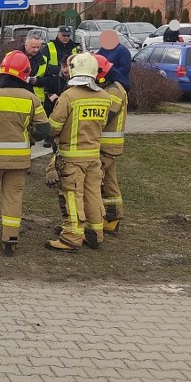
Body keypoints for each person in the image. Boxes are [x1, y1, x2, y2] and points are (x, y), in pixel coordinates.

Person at [0, 50, 50, 256]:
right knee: (13, 198)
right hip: (18, 162)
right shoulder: (32, 99)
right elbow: (42, 130)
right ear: (24, 73)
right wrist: (28, 138)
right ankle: (10, 240)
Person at [45, 52, 118, 252]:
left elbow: (53, 126)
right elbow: (102, 123)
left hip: (71, 158)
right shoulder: (104, 97)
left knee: (72, 196)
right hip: (94, 156)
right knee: (93, 194)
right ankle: (95, 234)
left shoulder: (69, 96)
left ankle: (71, 238)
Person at [94, 54, 128, 235]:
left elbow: (105, 117)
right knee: (109, 181)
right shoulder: (110, 87)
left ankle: (97, 219)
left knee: (95, 181)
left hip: (107, 145)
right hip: (108, 145)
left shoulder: (114, 91)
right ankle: (113, 218)